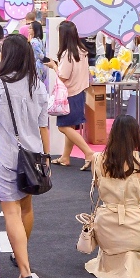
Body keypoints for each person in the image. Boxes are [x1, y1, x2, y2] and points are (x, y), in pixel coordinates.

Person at [0, 34, 50, 278]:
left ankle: (24, 271)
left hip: (7, 157)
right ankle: (21, 254)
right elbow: (44, 126)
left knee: (11, 212)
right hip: (33, 157)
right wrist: (47, 158)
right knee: (26, 207)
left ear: (6, 55)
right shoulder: (37, 85)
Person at [85, 114, 140, 278]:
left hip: (106, 228)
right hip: (136, 227)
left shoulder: (97, 159)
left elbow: (98, 188)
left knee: (110, 239)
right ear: (135, 134)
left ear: (112, 133)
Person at [54, 21, 95, 170]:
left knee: (63, 127)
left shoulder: (68, 54)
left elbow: (63, 77)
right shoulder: (81, 51)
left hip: (69, 94)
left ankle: (88, 153)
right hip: (79, 93)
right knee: (70, 126)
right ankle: (65, 157)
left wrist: (54, 66)